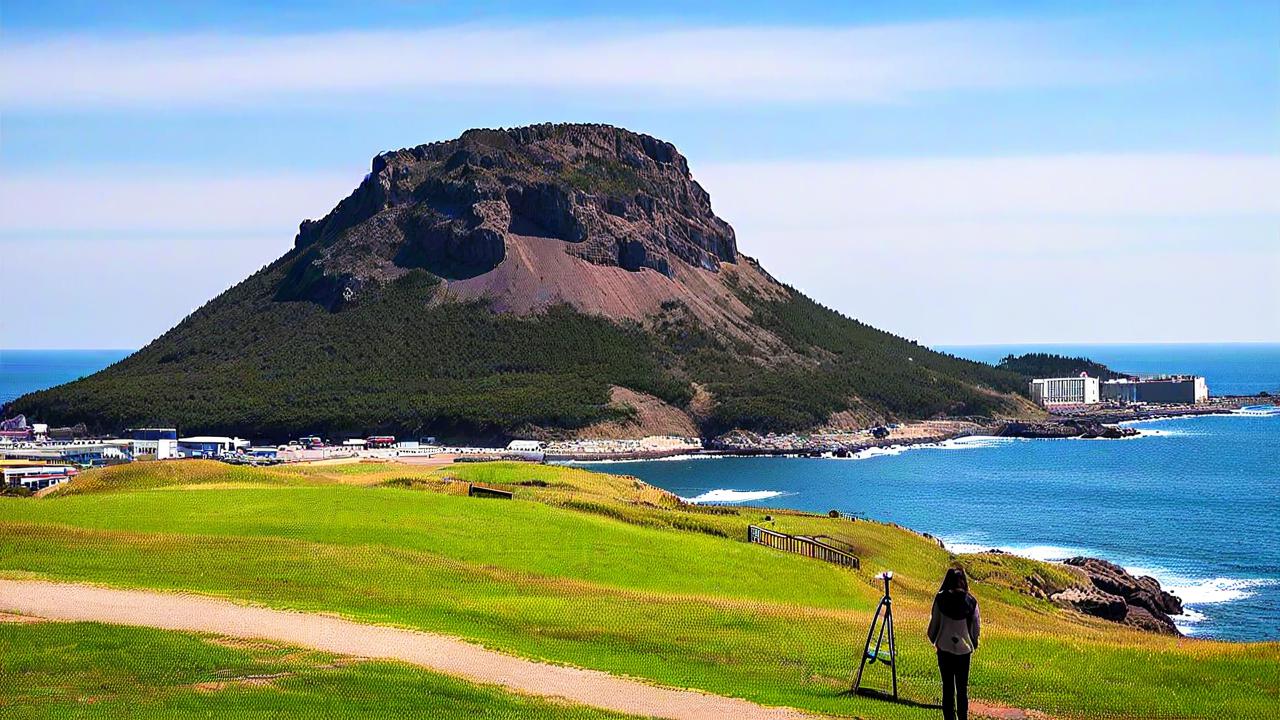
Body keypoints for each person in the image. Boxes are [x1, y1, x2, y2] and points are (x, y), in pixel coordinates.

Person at [927, 567, 980, 720]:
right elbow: (975, 628)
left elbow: (933, 626)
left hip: (944, 649)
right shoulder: (971, 602)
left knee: (948, 688)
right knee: (962, 689)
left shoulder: (940, 599)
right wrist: (973, 643)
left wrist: (934, 640)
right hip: (964, 651)